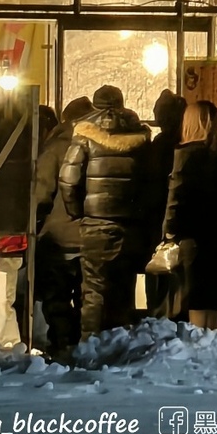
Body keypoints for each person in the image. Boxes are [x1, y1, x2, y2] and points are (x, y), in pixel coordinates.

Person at [59, 84, 152, 341]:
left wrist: (78, 212)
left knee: (94, 291)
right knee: (124, 291)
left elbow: (68, 179)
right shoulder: (140, 137)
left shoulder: (84, 134)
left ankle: (91, 345)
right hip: (131, 227)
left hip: (96, 226)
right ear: (122, 104)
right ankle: (120, 346)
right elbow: (151, 182)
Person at [163, 100, 217, 329]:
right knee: (211, 299)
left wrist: (169, 231)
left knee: (194, 295)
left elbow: (176, 196)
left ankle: (199, 348)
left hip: (192, 235)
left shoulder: (186, 154)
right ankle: (212, 345)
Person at [33, 96, 95, 358]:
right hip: (90, 235)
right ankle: (83, 345)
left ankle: (61, 344)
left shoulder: (55, 147)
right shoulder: (100, 145)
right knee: (85, 297)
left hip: (58, 237)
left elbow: (41, 192)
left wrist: (35, 222)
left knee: (56, 296)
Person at [144, 89, 187, 319]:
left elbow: (152, 185)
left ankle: (160, 318)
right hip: (181, 220)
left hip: (159, 219)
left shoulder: (159, 146)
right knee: (178, 275)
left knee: (159, 273)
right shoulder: (187, 144)